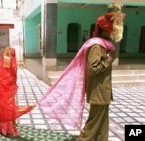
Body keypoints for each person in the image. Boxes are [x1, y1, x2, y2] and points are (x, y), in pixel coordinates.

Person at [37, 3, 125, 141]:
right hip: (98, 92)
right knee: (94, 124)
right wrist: (109, 59)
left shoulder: (103, 45)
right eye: (110, 30)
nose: (112, 33)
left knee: (102, 123)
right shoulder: (96, 46)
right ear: (105, 31)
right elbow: (93, 69)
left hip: (103, 92)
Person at [0, 47, 35, 137]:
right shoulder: (3, 65)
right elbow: (0, 77)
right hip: (4, 89)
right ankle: (7, 128)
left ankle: (5, 126)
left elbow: (10, 75)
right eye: (10, 56)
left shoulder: (3, 64)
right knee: (6, 107)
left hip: (7, 90)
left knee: (7, 106)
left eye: (12, 56)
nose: (11, 59)